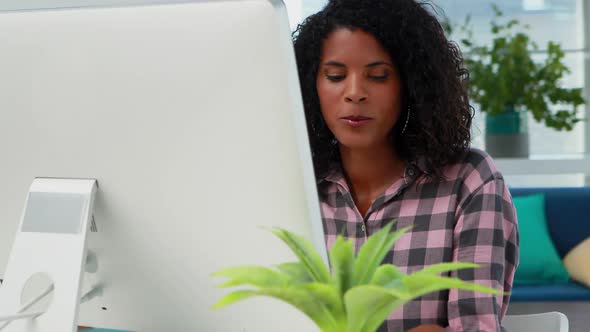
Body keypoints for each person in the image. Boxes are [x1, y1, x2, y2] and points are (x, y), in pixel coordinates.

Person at [292, 0, 519, 331]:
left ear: (411, 85)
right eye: (336, 75)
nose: (354, 93)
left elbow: (476, 325)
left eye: (378, 76)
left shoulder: (468, 181)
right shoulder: (294, 183)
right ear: (312, 85)